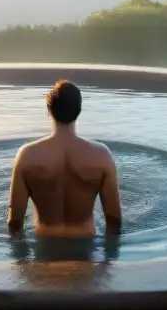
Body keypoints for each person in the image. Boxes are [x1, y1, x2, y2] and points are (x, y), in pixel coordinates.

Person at [7, 79, 122, 237]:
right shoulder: (101, 156)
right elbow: (114, 219)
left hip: (44, 247)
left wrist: (21, 261)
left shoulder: (27, 156)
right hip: (87, 247)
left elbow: (14, 222)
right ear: (79, 110)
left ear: (49, 110)